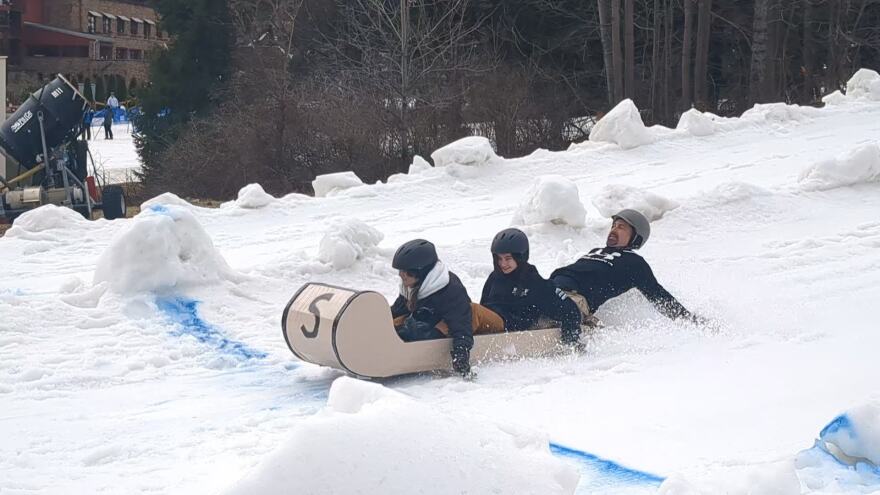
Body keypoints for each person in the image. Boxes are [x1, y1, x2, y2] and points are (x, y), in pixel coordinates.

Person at [550, 209, 701, 326]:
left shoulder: (634, 263)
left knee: (540, 311)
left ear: (635, 237)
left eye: (621, 227)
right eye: (613, 225)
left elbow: (659, 295)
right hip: (550, 288)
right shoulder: (595, 251)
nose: (613, 230)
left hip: (572, 300)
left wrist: (690, 320)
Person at [390, 239, 504, 377]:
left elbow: (461, 325)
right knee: (400, 322)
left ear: (422, 272)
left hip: (473, 321)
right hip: (443, 318)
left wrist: (461, 356)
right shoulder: (411, 287)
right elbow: (397, 311)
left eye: (407, 272)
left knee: (471, 311)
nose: (402, 275)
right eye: (401, 271)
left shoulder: (450, 289)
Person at [480, 228, 583, 345]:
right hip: (489, 326)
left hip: (509, 326)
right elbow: (484, 305)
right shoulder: (495, 277)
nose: (502, 264)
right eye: (499, 258)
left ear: (520, 257)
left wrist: (571, 343)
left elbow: (571, 311)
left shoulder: (534, 282)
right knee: (462, 309)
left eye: (508, 258)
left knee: (472, 311)